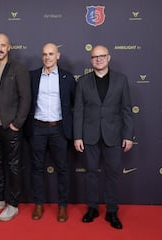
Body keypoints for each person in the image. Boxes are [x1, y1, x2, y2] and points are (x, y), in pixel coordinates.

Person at [74, 45, 134, 229]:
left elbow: (126, 110)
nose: (98, 59)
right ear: (91, 60)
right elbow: (78, 111)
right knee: (91, 173)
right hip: (89, 135)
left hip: (113, 135)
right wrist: (77, 136)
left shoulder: (121, 80)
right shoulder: (83, 82)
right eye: (94, 57)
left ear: (109, 58)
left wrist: (128, 135)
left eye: (101, 56)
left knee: (112, 174)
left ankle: (112, 211)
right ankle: (92, 208)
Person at [0, 33, 31, 221]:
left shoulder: (19, 68)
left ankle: (14, 204)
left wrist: (17, 123)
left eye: (3, 45)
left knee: (13, 166)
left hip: (10, 127)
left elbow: (26, 98)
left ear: (9, 47)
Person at [26, 43, 75, 222]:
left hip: (59, 129)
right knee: (37, 169)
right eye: (45, 54)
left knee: (62, 169)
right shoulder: (32, 76)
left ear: (58, 56)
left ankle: (62, 206)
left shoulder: (67, 78)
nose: (47, 57)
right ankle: (39, 204)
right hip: (37, 128)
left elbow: (75, 105)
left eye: (51, 54)